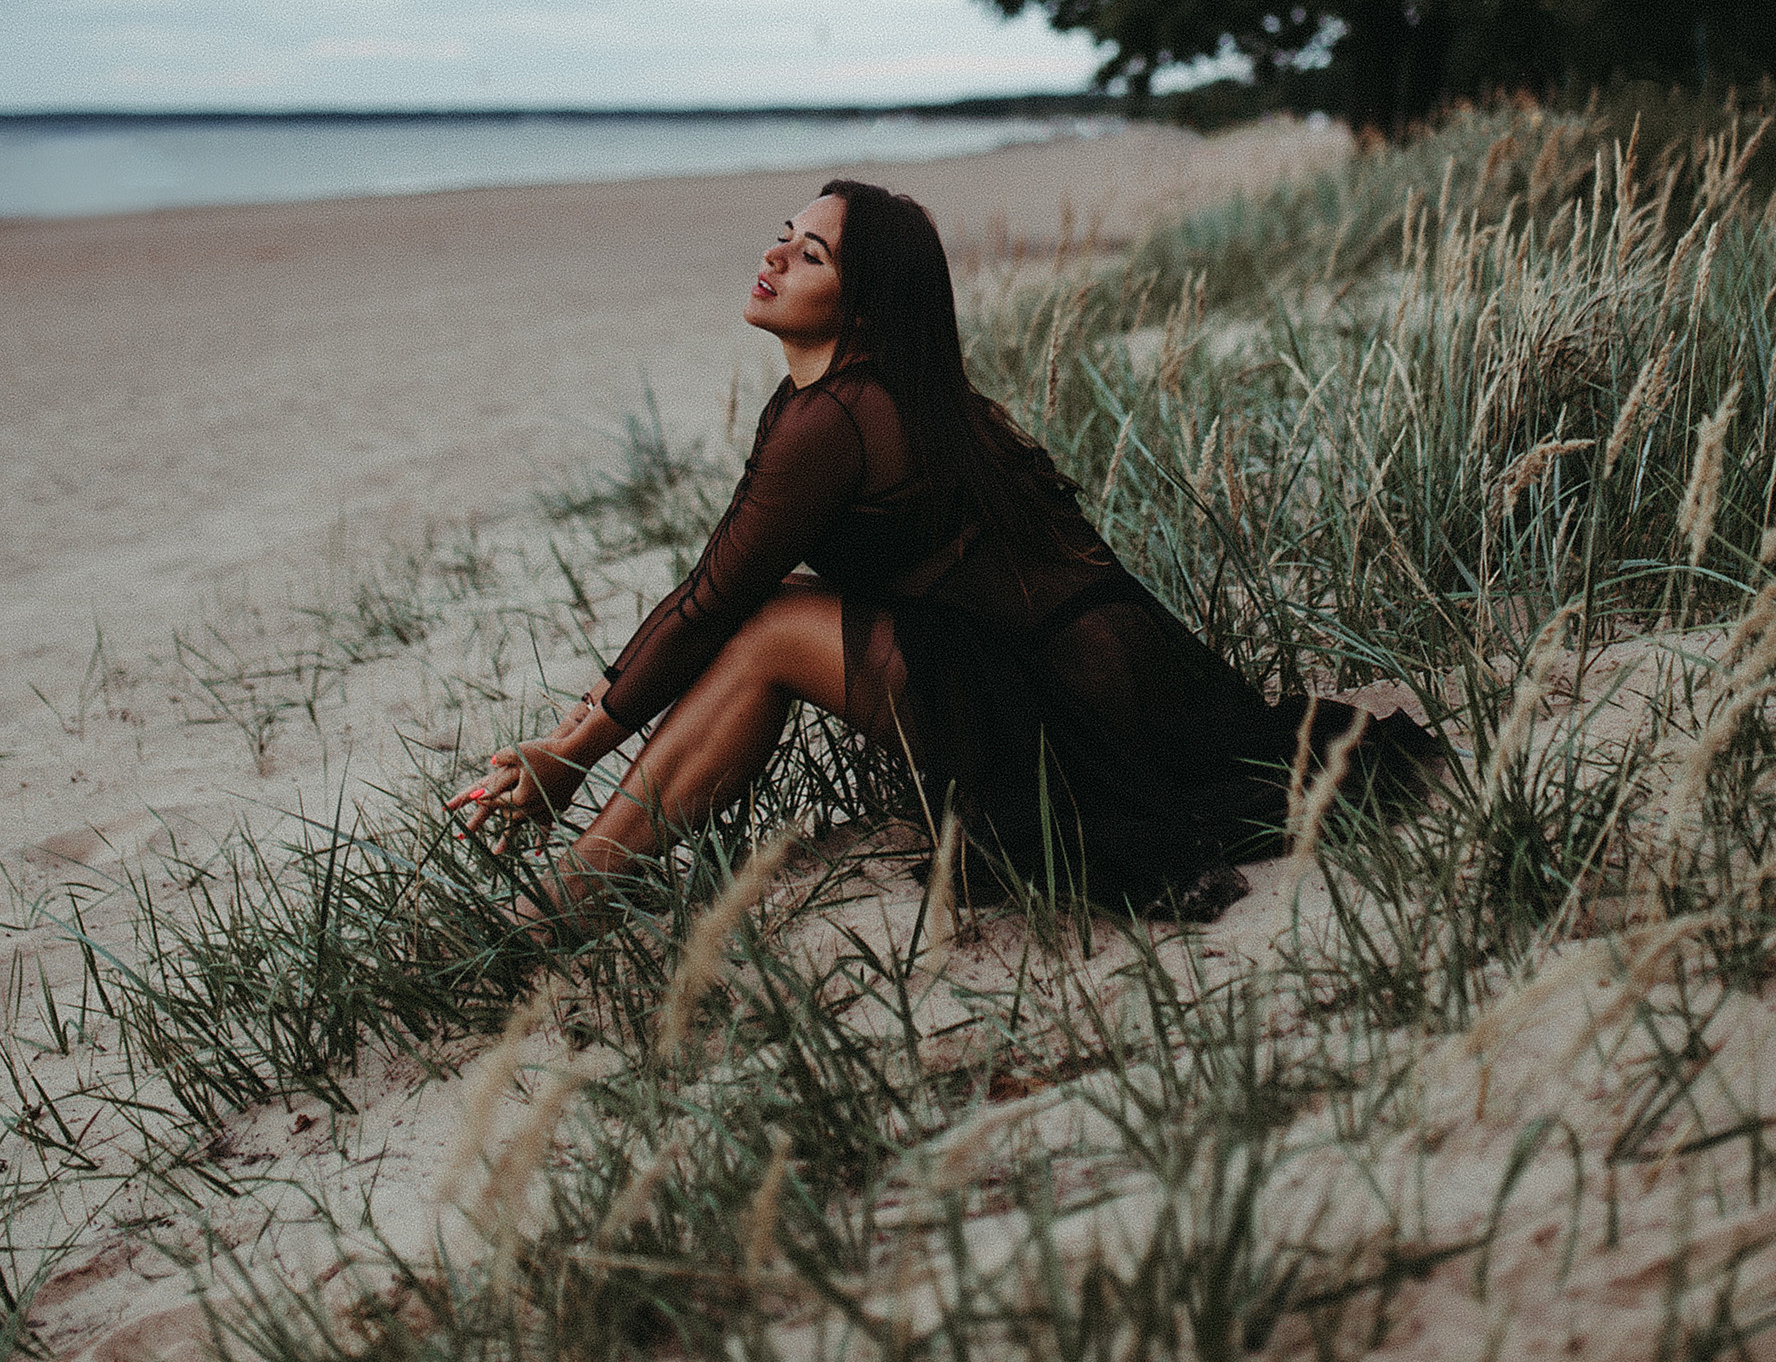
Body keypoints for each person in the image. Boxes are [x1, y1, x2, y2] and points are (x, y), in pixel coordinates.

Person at [449, 177, 1437, 919]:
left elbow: (711, 597)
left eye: (812, 257)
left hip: (1076, 705)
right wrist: (572, 744)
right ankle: (571, 893)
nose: (777, 257)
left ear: (867, 306)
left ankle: (556, 909)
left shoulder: (840, 415)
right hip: (1083, 678)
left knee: (770, 625)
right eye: (783, 238)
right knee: (774, 614)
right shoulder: (873, 395)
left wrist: (570, 752)